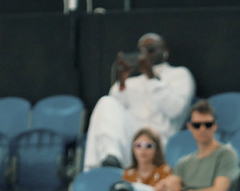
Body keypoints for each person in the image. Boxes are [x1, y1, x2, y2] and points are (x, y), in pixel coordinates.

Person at [82, 33, 195, 170]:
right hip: (130, 140)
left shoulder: (179, 74)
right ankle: (107, 164)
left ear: (164, 50)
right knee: (106, 102)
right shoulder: (132, 82)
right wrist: (122, 81)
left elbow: (175, 110)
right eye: (141, 50)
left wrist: (151, 78)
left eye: (150, 49)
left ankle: (110, 165)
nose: (146, 54)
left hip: (159, 140)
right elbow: (109, 116)